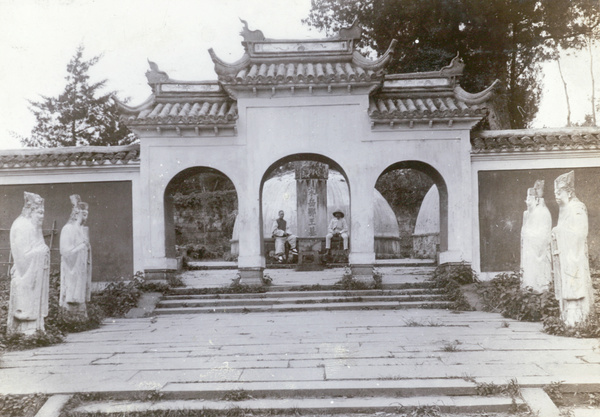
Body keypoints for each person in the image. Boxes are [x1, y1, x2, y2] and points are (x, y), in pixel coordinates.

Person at [551, 171, 595, 327]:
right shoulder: (564, 210)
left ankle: (578, 318)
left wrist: (558, 232)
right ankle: (568, 316)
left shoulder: (577, 207)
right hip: (566, 253)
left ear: (569, 193)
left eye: (559, 192)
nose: (556, 195)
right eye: (555, 192)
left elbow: (580, 233)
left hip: (573, 254)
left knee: (574, 282)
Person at [7, 192, 50, 335]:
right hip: (25, 275)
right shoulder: (22, 226)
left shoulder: (34, 227)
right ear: (31, 211)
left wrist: (42, 251)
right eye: (39, 212)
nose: (42, 216)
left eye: (43, 212)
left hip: (33, 273)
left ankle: (36, 328)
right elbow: (22, 260)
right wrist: (41, 252)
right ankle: (27, 331)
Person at [59, 195, 90, 317]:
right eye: (84, 213)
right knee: (72, 294)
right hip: (71, 267)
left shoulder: (83, 230)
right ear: (76, 214)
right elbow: (65, 251)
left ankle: (80, 314)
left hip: (80, 267)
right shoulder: (68, 229)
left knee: (80, 295)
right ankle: (70, 316)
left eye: (87, 213)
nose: (86, 216)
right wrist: (82, 246)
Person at [520, 180, 552, 292]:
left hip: (539, 250)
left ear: (536, 199)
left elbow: (544, 234)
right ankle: (529, 286)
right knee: (529, 270)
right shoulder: (528, 214)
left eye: (530, 199)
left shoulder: (543, 212)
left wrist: (529, 235)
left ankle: (540, 289)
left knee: (539, 273)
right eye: (527, 199)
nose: (527, 202)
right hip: (530, 249)